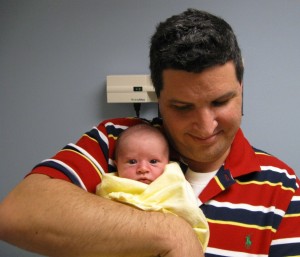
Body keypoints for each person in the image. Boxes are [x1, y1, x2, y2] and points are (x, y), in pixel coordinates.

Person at [0, 8, 300, 257]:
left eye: (220, 102)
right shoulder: (117, 141)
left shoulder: (282, 186)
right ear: (160, 99)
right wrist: (171, 234)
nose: (206, 125)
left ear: (241, 90)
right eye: (182, 107)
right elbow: (16, 213)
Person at [96, 123, 209, 251]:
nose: (143, 169)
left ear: (167, 163)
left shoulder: (173, 183)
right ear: (117, 164)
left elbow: (187, 211)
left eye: (153, 161)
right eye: (132, 162)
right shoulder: (112, 185)